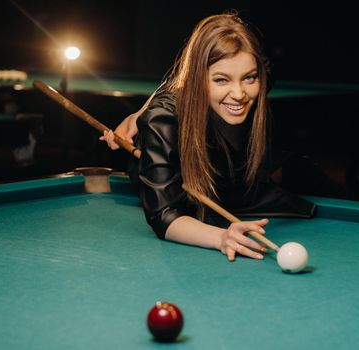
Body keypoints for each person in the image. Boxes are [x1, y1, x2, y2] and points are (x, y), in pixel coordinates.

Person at [101, 13, 337, 261]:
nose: (239, 93)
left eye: (249, 78)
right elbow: (164, 215)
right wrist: (220, 237)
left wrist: (139, 110)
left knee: (301, 170)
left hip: (227, 170)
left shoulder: (257, 73)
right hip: (179, 183)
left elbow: (223, 69)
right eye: (221, 80)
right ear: (197, 80)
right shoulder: (163, 120)